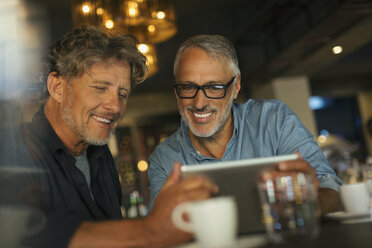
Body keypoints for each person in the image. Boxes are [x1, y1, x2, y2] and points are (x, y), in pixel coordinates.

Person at [0, 27, 218, 248]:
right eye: (100, 88)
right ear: (57, 87)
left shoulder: (100, 155)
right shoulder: (11, 150)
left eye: (122, 94)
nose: (115, 107)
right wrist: (151, 229)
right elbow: (25, 236)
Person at [148, 34, 344, 214]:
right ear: (176, 90)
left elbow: (332, 189)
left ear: (236, 86)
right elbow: (158, 228)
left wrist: (309, 200)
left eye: (214, 87)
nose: (199, 103)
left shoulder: (274, 120)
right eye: (188, 87)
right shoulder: (164, 159)